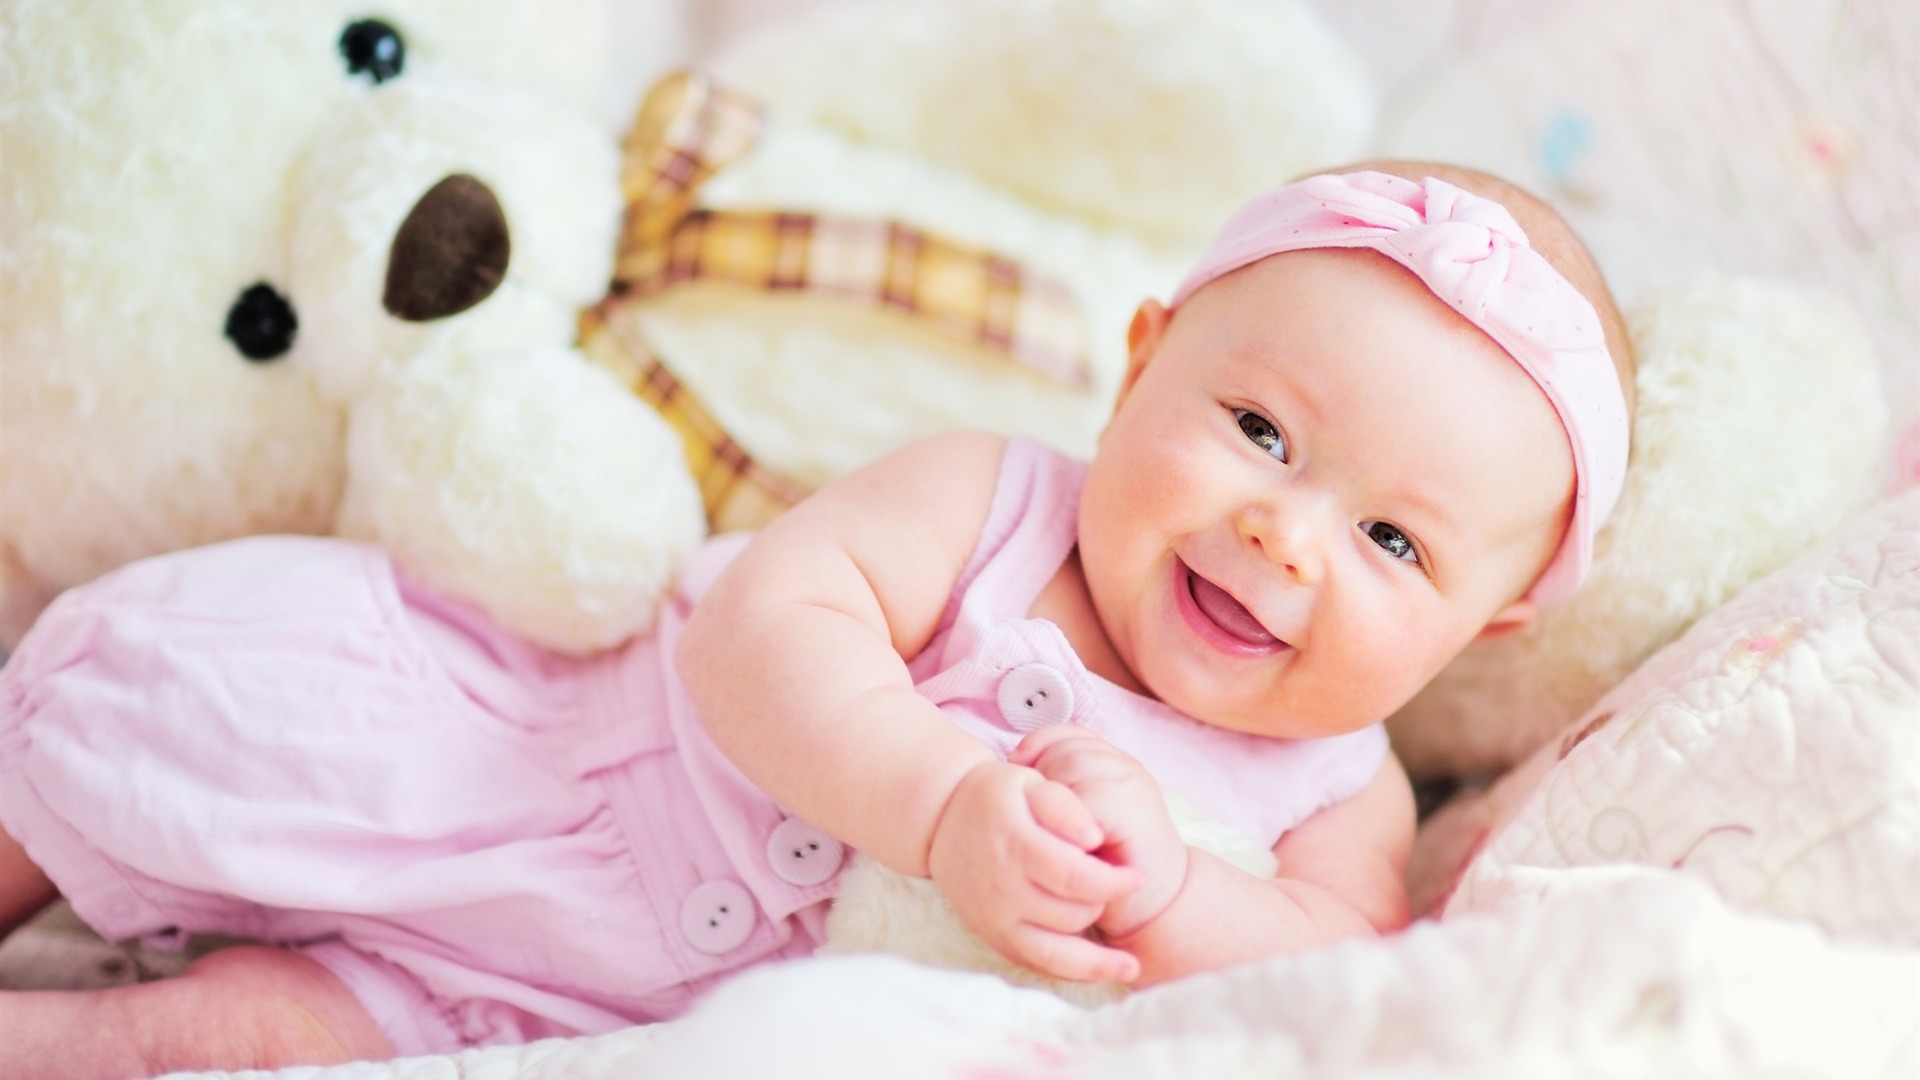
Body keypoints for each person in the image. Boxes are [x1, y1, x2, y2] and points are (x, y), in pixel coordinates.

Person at [0, 161, 1633, 1077]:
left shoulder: (1346, 788)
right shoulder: (995, 499)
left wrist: (1176, 887)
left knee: (221, 1048)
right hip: (521, 768)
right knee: (154, 727)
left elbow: (1328, 970)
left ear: (1485, 630)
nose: (1286, 528)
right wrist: (938, 805)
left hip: (578, 1015)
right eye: (1261, 431)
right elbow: (762, 628)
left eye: (1396, 541)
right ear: (1143, 362)